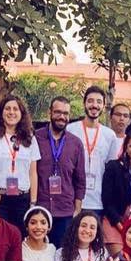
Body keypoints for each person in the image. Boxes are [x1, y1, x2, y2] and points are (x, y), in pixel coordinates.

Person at [0, 93, 39, 228]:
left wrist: (33, 202)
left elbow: (33, 173)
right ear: (1, 112)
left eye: (15, 109)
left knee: (18, 238)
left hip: (22, 199)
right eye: (8, 109)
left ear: (22, 114)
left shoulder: (30, 138)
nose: (11, 112)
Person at [33, 96, 87, 246]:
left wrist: (77, 210)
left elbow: (80, 179)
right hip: (40, 208)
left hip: (65, 211)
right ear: (49, 112)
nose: (62, 117)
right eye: (57, 112)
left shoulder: (76, 143)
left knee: (62, 257)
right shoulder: (35, 138)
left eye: (66, 113)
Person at [68, 86, 119, 225]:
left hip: (97, 201)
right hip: (72, 198)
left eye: (98, 102)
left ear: (103, 106)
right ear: (84, 103)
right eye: (90, 101)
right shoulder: (70, 129)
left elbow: (110, 168)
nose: (94, 105)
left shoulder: (109, 135)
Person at [100, 131, 131, 253]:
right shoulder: (113, 167)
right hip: (115, 221)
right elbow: (107, 201)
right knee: (121, 259)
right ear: (126, 149)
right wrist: (121, 226)